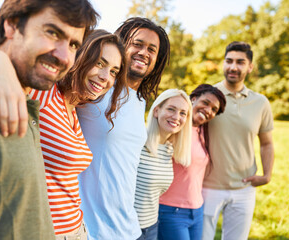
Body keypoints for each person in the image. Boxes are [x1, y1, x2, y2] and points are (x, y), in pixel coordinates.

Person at [0, 29, 128, 239]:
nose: (106, 77)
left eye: (114, 71)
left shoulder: (75, 110)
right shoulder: (43, 93)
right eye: (100, 63)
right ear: (80, 57)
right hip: (48, 232)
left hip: (78, 228)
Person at [77, 17, 170, 240]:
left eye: (151, 49)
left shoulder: (139, 101)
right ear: (120, 45)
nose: (143, 52)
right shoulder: (95, 89)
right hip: (93, 231)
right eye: (137, 44)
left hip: (130, 228)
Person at [201, 41, 275, 240]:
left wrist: (266, 175)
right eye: (229, 61)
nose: (233, 66)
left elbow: (267, 143)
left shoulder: (260, 103)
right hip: (207, 187)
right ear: (223, 64)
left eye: (240, 62)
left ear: (250, 67)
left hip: (244, 188)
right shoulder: (207, 96)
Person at [157, 84, 226, 240]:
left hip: (197, 210)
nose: (208, 110)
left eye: (214, 110)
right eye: (206, 103)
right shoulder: (174, 127)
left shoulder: (202, 132)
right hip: (170, 211)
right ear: (193, 99)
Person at [134, 89, 193, 240]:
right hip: (128, 229)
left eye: (182, 113)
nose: (176, 117)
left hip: (151, 227)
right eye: (171, 109)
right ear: (156, 111)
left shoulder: (168, 149)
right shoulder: (137, 143)